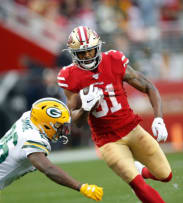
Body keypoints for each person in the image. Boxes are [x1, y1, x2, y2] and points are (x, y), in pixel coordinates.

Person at [57, 26, 172, 203]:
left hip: (133, 129)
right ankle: (137, 176)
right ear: (73, 54)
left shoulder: (114, 60)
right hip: (108, 141)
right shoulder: (69, 75)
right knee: (138, 185)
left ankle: (140, 170)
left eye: (90, 51)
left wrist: (159, 118)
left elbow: (149, 86)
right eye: (82, 53)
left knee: (165, 175)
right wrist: (86, 108)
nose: (88, 56)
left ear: (98, 47)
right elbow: (75, 121)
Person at [0, 97, 103, 203]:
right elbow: (48, 169)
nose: (63, 130)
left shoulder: (30, 117)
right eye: (59, 127)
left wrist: (84, 108)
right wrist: (80, 186)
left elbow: (63, 115)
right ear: (46, 124)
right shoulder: (32, 139)